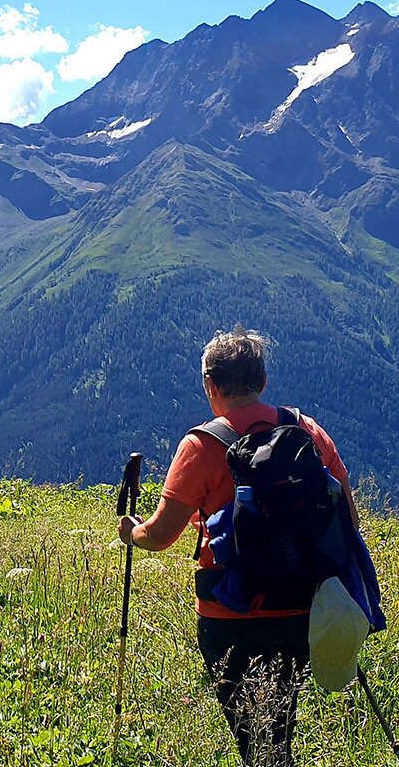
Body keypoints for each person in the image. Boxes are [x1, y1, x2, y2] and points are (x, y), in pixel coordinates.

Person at [117, 326, 355, 766]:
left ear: (211, 385)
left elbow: (160, 535)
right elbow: (347, 517)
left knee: (257, 740)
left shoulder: (201, 445)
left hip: (231, 615)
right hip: (304, 608)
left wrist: (130, 532)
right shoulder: (306, 432)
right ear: (263, 380)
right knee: (277, 726)